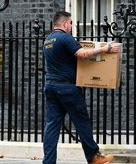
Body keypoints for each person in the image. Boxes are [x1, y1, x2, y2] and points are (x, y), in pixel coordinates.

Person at [42, 11, 119, 164]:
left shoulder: (48, 40)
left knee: (52, 125)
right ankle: (93, 157)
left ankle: (48, 162)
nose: (71, 26)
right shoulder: (65, 38)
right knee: (82, 121)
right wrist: (105, 49)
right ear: (65, 24)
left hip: (50, 86)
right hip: (67, 88)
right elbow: (83, 54)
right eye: (70, 23)